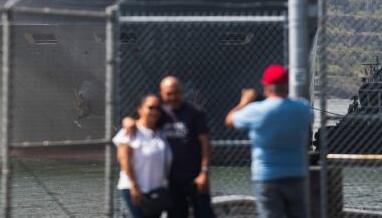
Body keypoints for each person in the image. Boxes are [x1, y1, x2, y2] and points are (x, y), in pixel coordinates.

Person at [225, 65, 312, 218]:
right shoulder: (303, 108)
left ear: (265, 86)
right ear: (287, 86)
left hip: (267, 176)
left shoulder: (257, 111)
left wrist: (244, 102)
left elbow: (230, 121)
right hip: (296, 174)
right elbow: (309, 119)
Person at [123, 76, 215, 218]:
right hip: (171, 182)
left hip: (196, 177)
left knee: (204, 214)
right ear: (161, 93)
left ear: (182, 92)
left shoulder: (195, 113)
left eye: (176, 93)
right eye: (168, 94)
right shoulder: (160, 113)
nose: (173, 97)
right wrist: (128, 121)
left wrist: (204, 172)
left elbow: (205, 143)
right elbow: (144, 122)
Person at [113, 94, 172, 218]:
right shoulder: (130, 131)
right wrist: (134, 186)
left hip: (157, 190)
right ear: (140, 109)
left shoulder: (160, 132)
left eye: (157, 108)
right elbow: (124, 161)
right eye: (150, 107)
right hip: (135, 189)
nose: (154, 111)